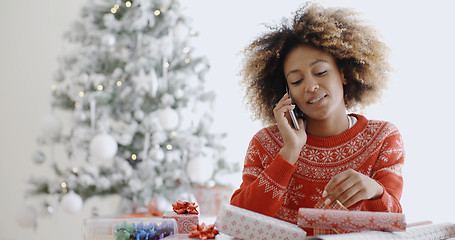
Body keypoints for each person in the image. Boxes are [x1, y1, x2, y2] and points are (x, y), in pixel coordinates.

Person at [230, 3, 404, 236]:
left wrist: (376, 191)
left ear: (343, 72)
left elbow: (394, 227)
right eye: (296, 81)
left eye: (321, 72)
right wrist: (289, 153)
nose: (311, 87)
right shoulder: (266, 144)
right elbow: (239, 222)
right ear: (286, 92)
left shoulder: (383, 138)